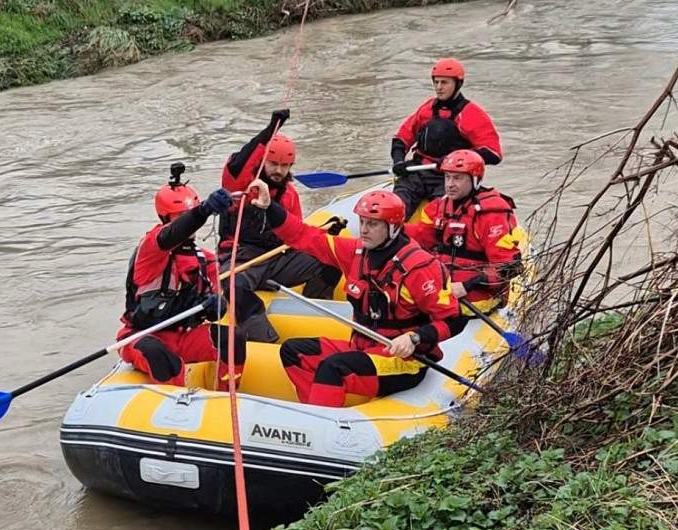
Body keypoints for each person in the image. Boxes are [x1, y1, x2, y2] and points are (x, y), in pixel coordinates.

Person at [249, 181, 467, 407]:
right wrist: (269, 207)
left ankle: (324, 423)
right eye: (362, 222)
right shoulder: (355, 253)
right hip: (363, 349)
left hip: (403, 360)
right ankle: (313, 412)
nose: (363, 229)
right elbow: (303, 237)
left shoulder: (420, 268)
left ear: (393, 227)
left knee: (333, 367)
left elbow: (454, 320)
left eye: (372, 224)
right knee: (294, 351)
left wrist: (415, 338)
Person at [218, 109, 345, 343]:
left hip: (277, 258)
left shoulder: (290, 194)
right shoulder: (243, 185)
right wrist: (271, 129)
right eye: (274, 164)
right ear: (263, 161)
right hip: (241, 259)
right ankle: (266, 339)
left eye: (285, 166)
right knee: (234, 286)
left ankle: (314, 311)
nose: (279, 171)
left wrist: (324, 232)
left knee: (330, 258)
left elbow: (297, 234)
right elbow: (239, 163)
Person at [118, 162, 247, 389]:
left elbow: (219, 309)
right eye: (181, 217)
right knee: (160, 356)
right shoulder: (151, 248)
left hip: (183, 337)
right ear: (167, 217)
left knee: (232, 338)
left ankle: (226, 396)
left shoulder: (205, 258)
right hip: (143, 335)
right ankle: (173, 412)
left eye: (187, 216)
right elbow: (172, 235)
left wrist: (217, 305)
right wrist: (203, 211)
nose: (189, 225)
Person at [404, 150, 522, 313]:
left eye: (457, 178)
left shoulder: (492, 214)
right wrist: (389, 228)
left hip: (476, 297)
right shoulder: (439, 206)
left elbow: (510, 266)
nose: (450, 184)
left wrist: (465, 287)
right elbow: (422, 236)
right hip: (440, 291)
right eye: (447, 177)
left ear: (475, 180)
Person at [391, 58, 504, 219]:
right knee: (395, 208)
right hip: (417, 172)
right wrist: (398, 161)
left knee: (442, 216)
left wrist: (452, 161)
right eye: (436, 82)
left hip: (449, 178)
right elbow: (401, 138)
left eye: (444, 82)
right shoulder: (427, 108)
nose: (439, 87)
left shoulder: (471, 114)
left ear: (457, 84)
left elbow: (493, 153)